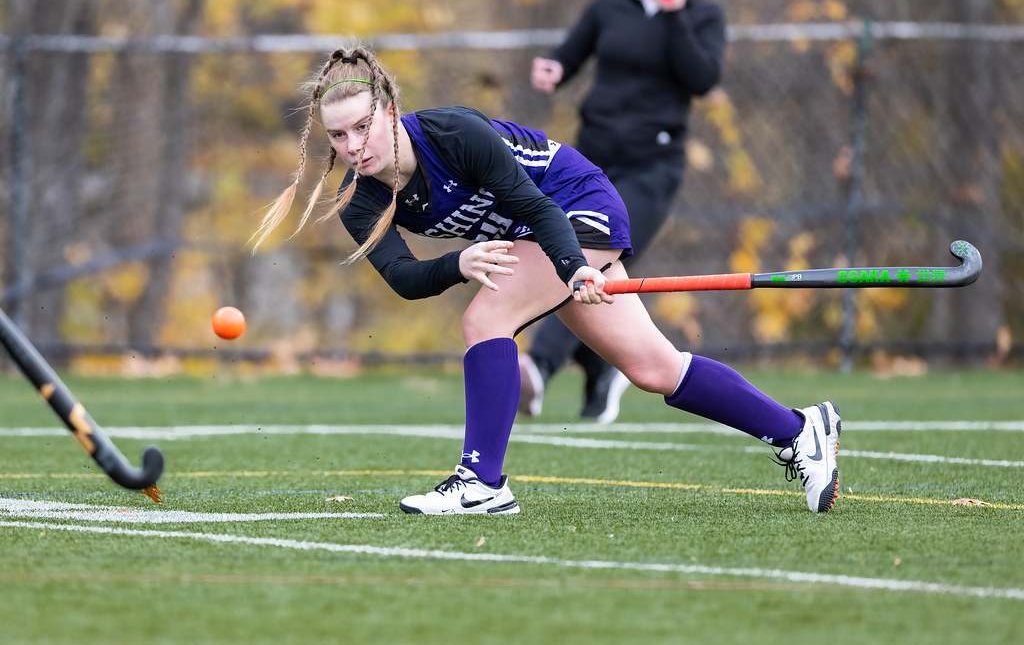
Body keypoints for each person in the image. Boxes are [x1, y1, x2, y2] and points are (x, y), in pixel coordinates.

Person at [251, 46, 840, 515]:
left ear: (390, 113)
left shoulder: (455, 135)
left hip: (575, 205)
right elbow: (404, 278)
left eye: (362, 128)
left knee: (486, 318)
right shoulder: (359, 199)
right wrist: (460, 262)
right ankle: (799, 431)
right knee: (655, 369)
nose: (353, 147)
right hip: (543, 237)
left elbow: (539, 210)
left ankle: (481, 481)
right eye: (338, 136)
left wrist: (573, 266)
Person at [524, 0, 726, 424]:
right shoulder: (609, 6)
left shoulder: (703, 15)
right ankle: (601, 366)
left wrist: (675, 13)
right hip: (591, 165)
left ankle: (539, 366)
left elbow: (703, 78)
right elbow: (570, 55)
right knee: (591, 263)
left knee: (588, 253)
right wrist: (554, 68)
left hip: (652, 166)